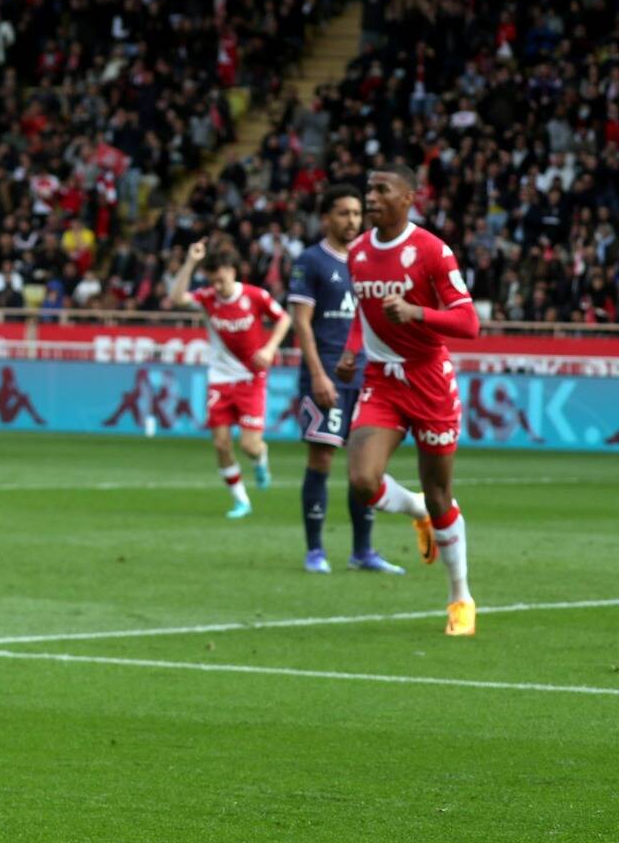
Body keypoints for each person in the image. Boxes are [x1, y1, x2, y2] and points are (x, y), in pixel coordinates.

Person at [340, 165, 482, 636]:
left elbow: (468, 324)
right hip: (382, 379)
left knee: (441, 494)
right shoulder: (357, 253)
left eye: (382, 190)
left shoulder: (431, 252)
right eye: (369, 189)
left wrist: (418, 311)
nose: (372, 197)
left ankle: (460, 597)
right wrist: (352, 348)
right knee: (362, 479)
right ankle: (415, 510)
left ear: (408, 198)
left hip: (429, 381)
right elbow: (366, 312)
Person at [287, 186, 401, 574]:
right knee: (321, 458)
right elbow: (300, 321)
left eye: (356, 213)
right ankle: (315, 550)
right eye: (343, 213)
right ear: (325, 219)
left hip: (369, 377)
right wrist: (318, 374)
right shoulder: (312, 261)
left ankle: (362, 551)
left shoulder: (372, 261)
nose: (352, 220)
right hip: (327, 375)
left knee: (364, 465)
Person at [170, 239, 292, 519]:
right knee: (221, 444)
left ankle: (261, 459)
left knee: (249, 446)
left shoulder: (255, 296)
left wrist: (270, 348)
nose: (218, 281)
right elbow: (177, 298)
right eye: (213, 276)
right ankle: (241, 501)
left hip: (251, 378)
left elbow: (284, 319)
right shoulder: (207, 298)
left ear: (233, 271)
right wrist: (190, 261)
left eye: (222, 273)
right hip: (220, 380)